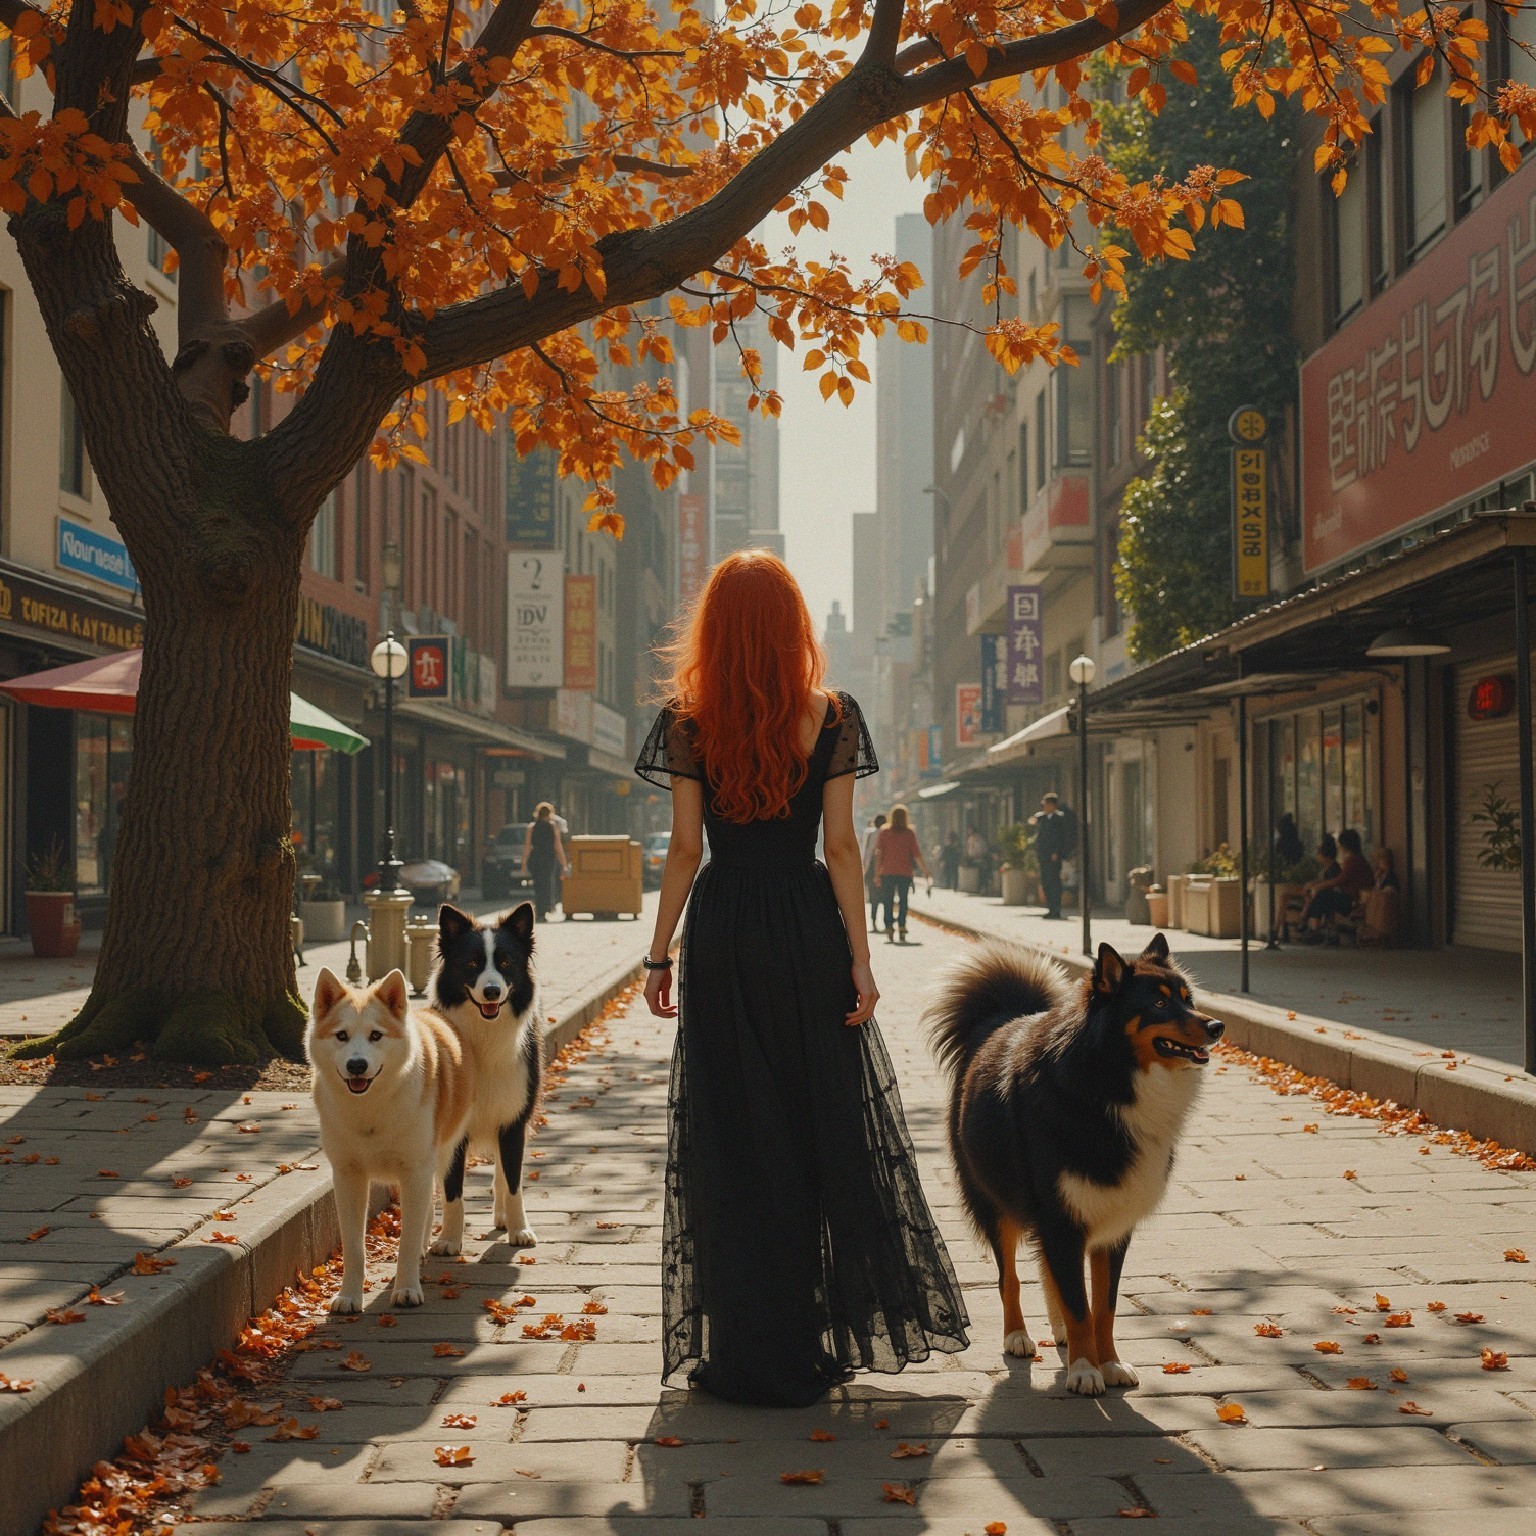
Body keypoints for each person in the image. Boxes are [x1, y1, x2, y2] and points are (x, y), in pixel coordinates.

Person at [635, 549, 969, 1407]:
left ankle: (747, 1343)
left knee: (735, 1131)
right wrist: (860, 958)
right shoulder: (831, 715)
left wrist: (660, 952)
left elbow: (682, 849)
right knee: (818, 1121)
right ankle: (819, 1334)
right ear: (793, 628)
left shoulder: (688, 720)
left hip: (724, 931)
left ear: (714, 626)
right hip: (804, 927)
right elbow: (844, 849)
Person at [1297, 830, 1372, 942]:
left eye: (1340, 844)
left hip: (1352, 901)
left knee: (1323, 895)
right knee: (1325, 896)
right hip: (1350, 898)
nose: (1339, 847)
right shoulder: (1356, 860)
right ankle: (1321, 929)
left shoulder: (1353, 861)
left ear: (1345, 845)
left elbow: (1340, 880)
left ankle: (1314, 928)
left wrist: (1319, 886)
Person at [875, 804, 930, 944]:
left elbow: (879, 855)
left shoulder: (884, 832)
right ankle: (902, 925)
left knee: (887, 901)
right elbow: (917, 854)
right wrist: (925, 871)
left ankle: (889, 927)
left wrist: (876, 873)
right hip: (905, 873)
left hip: (887, 872)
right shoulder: (909, 833)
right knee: (903, 901)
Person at [1032, 792, 1074, 919]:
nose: (1044, 807)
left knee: (1054, 882)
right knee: (1045, 882)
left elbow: (1061, 837)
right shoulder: (1043, 818)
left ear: (1052, 805)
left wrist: (1057, 851)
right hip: (1043, 855)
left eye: (1045, 804)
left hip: (1053, 856)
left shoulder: (1059, 818)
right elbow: (1034, 821)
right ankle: (1050, 908)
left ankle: (1056, 909)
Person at [522, 802, 567, 920]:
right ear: (550, 814)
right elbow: (557, 845)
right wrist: (563, 862)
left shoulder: (532, 827)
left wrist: (523, 863)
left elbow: (527, 846)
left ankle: (540, 908)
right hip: (548, 858)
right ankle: (545, 908)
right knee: (547, 882)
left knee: (538, 884)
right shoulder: (552, 826)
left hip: (535, 857)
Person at [862, 812, 888, 932]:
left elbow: (868, 852)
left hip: (872, 868)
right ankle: (887, 923)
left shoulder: (872, 834)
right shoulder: (889, 834)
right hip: (886, 869)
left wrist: (864, 868)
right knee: (887, 897)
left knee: (874, 898)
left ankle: (873, 921)